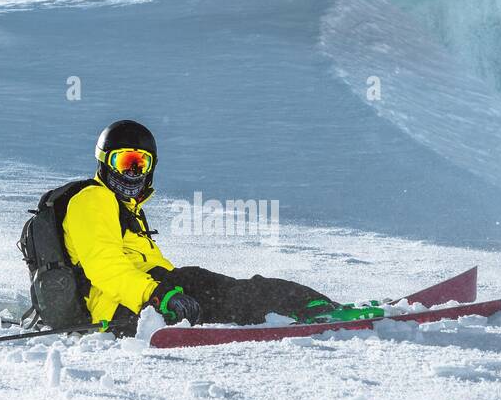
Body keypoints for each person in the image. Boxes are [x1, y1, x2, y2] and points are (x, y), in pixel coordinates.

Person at [61, 119, 364, 336]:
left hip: (145, 299)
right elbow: (104, 266)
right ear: (105, 161)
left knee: (224, 291)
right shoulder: (93, 198)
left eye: (140, 164)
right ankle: (310, 307)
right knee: (226, 291)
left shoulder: (126, 211)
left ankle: (306, 307)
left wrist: (167, 291)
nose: (132, 172)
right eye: (125, 162)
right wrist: (158, 296)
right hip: (126, 309)